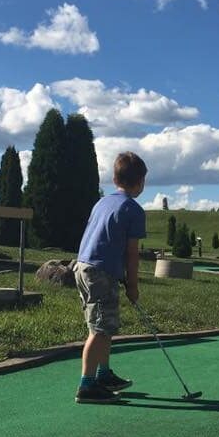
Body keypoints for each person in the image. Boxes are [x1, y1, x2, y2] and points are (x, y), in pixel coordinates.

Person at [73, 151, 148, 403]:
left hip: (83, 267)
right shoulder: (133, 209)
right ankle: (86, 385)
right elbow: (132, 253)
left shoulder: (102, 202)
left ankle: (103, 374)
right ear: (140, 182)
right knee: (100, 329)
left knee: (105, 324)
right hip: (100, 272)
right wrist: (133, 285)